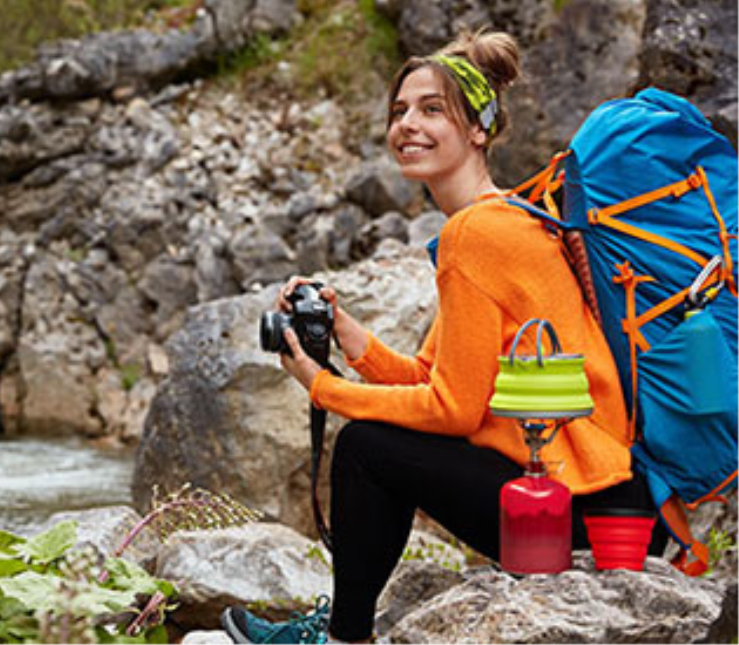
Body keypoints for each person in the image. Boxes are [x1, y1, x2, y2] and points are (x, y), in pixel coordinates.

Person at [221, 28, 667, 645]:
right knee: (380, 442)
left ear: (479, 130)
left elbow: (452, 411)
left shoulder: (474, 235)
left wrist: (322, 388)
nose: (407, 124)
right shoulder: (508, 217)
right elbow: (437, 379)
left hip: (577, 512)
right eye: (399, 111)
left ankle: (342, 638)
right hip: (610, 506)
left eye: (432, 110)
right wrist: (351, 337)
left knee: (366, 448)